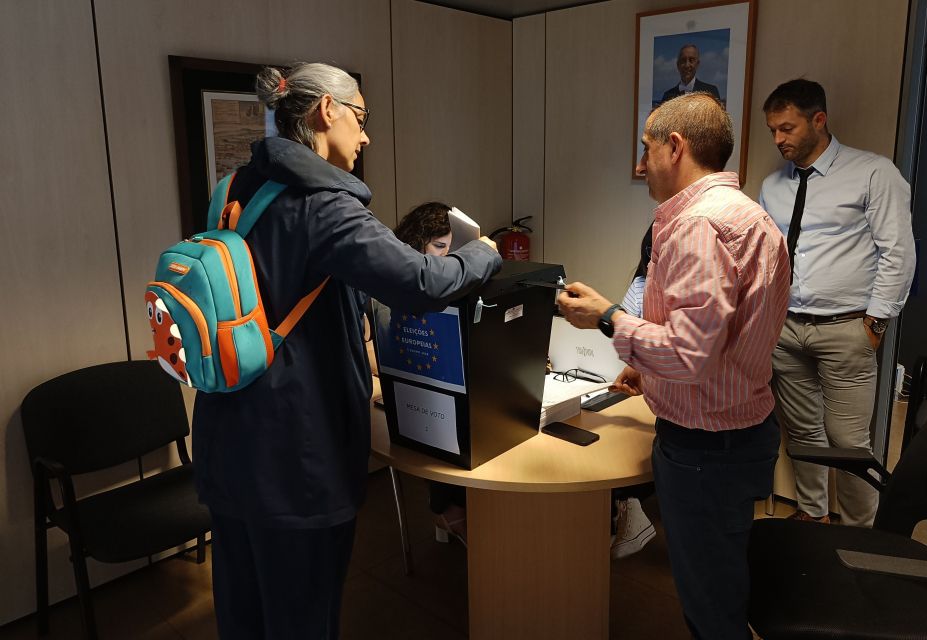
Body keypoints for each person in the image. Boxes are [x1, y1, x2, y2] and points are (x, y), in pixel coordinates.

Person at [192, 63, 501, 639]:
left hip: (227, 437)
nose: (366, 136)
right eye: (361, 117)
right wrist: (482, 251)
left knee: (243, 610)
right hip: (293, 454)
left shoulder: (231, 191)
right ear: (326, 111)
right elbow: (422, 282)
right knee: (303, 616)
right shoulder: (323, 205)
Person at [558, 93, 789, 640]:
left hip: (706, 450)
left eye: (647, 149)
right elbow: (730, 335)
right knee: (723, 583)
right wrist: (650, 366)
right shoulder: (749, 215)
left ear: (676, 146)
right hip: (742, 429)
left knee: (710, 607)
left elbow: (688, 354)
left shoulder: (698, 226)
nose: (641, 165)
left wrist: (607, 318)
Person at [759, 79, 916, 527]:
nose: (778, 139)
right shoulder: (773, 186)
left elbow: (898, 253)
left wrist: (875, 323)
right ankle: (812, 517)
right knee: (802, 433)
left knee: (848, 443)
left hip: (847, 329)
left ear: (819, 120)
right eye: (773, 130)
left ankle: (858, 533)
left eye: (787, 128)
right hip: (786, 328)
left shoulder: (873, 173)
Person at [390, 201, 468, 545]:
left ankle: (453, 510)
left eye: (452, 249)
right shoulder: (394, 283)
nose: (446, 257)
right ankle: (447, 510)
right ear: (416, 243)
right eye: (438, 246)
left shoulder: (454, 286)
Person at [610, 223, 657, 560]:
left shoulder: (689, 294)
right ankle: (621, 509)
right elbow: (625, 337)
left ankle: (628, 503)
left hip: (667, 393)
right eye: (650, 254)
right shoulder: (641, 285)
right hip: (639, 385)